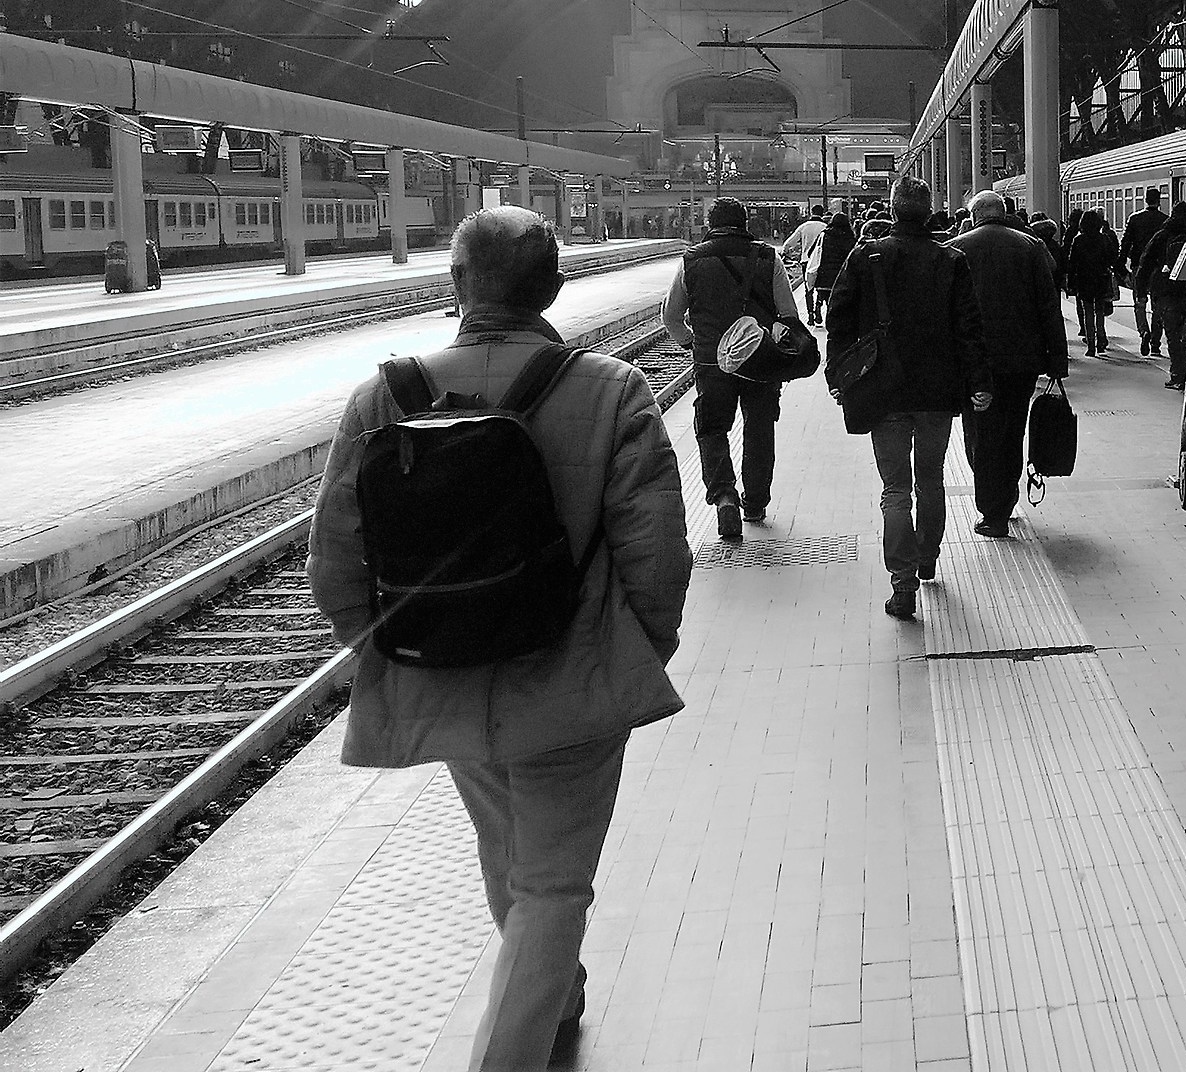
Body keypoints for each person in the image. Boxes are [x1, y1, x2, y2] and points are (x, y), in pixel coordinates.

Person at [309, 206, 689, 1072]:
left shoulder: (383, 395)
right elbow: (657, 552)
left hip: (439, 671)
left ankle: (556, 997)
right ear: (555, 287)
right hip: (573, 676)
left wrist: (398, 652)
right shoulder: (610, 390)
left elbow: (334, 564)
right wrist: (633, 655)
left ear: (455, 284)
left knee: (507, 854)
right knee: (552, 881)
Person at [825, 177, 993, 621]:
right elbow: (969, 328)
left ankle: (902, 586)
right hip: (938, 391)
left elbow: (836, 318)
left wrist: (837, 373)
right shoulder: (951, 260)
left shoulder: (867, 256)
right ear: (929, 212)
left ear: (895, 211)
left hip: (884, 391)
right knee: (931, 480)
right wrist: (979, 382)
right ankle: (928, 557)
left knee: (895, 489)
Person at [662, 196, 804, 542]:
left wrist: (690, 342)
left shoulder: (692, 260)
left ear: (710, 225)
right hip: (758, 361)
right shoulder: (768, 258)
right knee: (759, 428)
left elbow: (671, 316)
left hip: (712, 362)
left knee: (711, 428)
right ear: (745, 223)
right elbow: (788, 317)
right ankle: (754, 503)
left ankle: (724, 495)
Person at [951, 191, 1071, 537]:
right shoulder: (1031, 246)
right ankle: (1004, 498)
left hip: (975, 362)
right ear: (1003, 214)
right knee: (1012, 431)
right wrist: (1057, 359)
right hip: (1022, 362)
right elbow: (1049, 307)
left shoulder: (958, 247)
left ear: (974, 216)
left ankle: (994, 511)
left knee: (979, 434)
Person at [1136, 201, 1186, 389]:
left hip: (1167, 292)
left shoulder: (1162, 236)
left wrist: (1141, 291)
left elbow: (1145, 264)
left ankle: (1177, 375)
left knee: (1173, 335)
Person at [1119, 189, 1170, 357]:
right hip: (1158, 269)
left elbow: (1125, 243)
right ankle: (1156, 342)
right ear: (1159, 201)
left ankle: (1143, 332)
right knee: (1157, 306)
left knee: (1139, 303)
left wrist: (1120, 266)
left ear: (1146, 200)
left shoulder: (1134, 219)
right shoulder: (1165, 220)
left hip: (1139, 268)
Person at [1067, 211, 1120, 357]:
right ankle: (1101, 341)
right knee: (1100, 312)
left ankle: (1091, 346)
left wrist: (1070, 283)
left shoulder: (1078, 240)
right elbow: (1112, 258)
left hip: (1084, 280)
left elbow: (1072, 263)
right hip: (1101, 279)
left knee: (1088, 312)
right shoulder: (1104, 239)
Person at [782, 206, 828, 324]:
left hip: (806, 261)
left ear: (811, 213)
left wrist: (785, 253)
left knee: (808, 289)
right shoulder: (826, 228)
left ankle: (810, 316)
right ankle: (818, 306)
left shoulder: (803, 227)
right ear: (822, 214)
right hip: (821, 261)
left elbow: (788, 243)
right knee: (820, 286)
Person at [812, 211, 857, 326]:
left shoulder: (824, 235)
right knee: (839, 302)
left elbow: (813, 251)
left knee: (826, 298)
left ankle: (819, 307)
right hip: (843, 275)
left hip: (825, 274)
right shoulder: (850, 237)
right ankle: (835, 322)